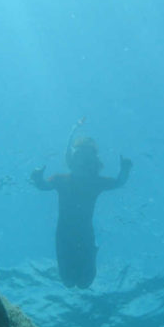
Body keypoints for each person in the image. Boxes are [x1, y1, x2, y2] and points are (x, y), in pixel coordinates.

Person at [31, 122, 132, 288]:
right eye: (79, 157)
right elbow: (43, 186)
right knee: (69, 281)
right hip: (67, 235)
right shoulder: (63, 180)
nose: (82, 163)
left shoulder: (93, 182)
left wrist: (125, 169)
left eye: (86, 159)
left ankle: (91, 254)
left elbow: (119, 182)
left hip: (80, 235)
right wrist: (36, 178)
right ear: (72, 160)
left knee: (84, 282)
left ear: (93, 163)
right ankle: (91, 254)